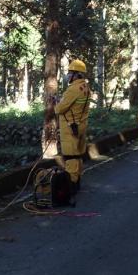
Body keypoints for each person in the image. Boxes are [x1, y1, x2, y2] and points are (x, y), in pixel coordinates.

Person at [54, 59, 91, 201]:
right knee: (78, 156)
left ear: (76, 74)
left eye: (70, 72)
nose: (68, 75)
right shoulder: (86, 88)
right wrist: (62, 100)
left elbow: (60, 109)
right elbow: (74, 105)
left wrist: (57, 103)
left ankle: (71, 186)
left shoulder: (73, 89)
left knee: (70, 157)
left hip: (70, 128)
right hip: (80, 126)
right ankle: (77, 183)